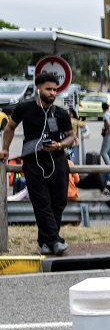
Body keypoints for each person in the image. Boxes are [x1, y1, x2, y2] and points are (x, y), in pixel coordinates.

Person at [0, 73, 77, 255]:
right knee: (42, 203)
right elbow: (10, 128)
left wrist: (58, 145)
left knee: (59, 202)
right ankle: (56, 241)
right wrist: (5, 149)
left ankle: (45, 242)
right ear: (39, 89)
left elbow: (71, 138)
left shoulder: (60, 113)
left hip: (57, 161)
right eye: (48, 89)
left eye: (55, 90)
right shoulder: (24, 108)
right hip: (33, 162)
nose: (52, 93)